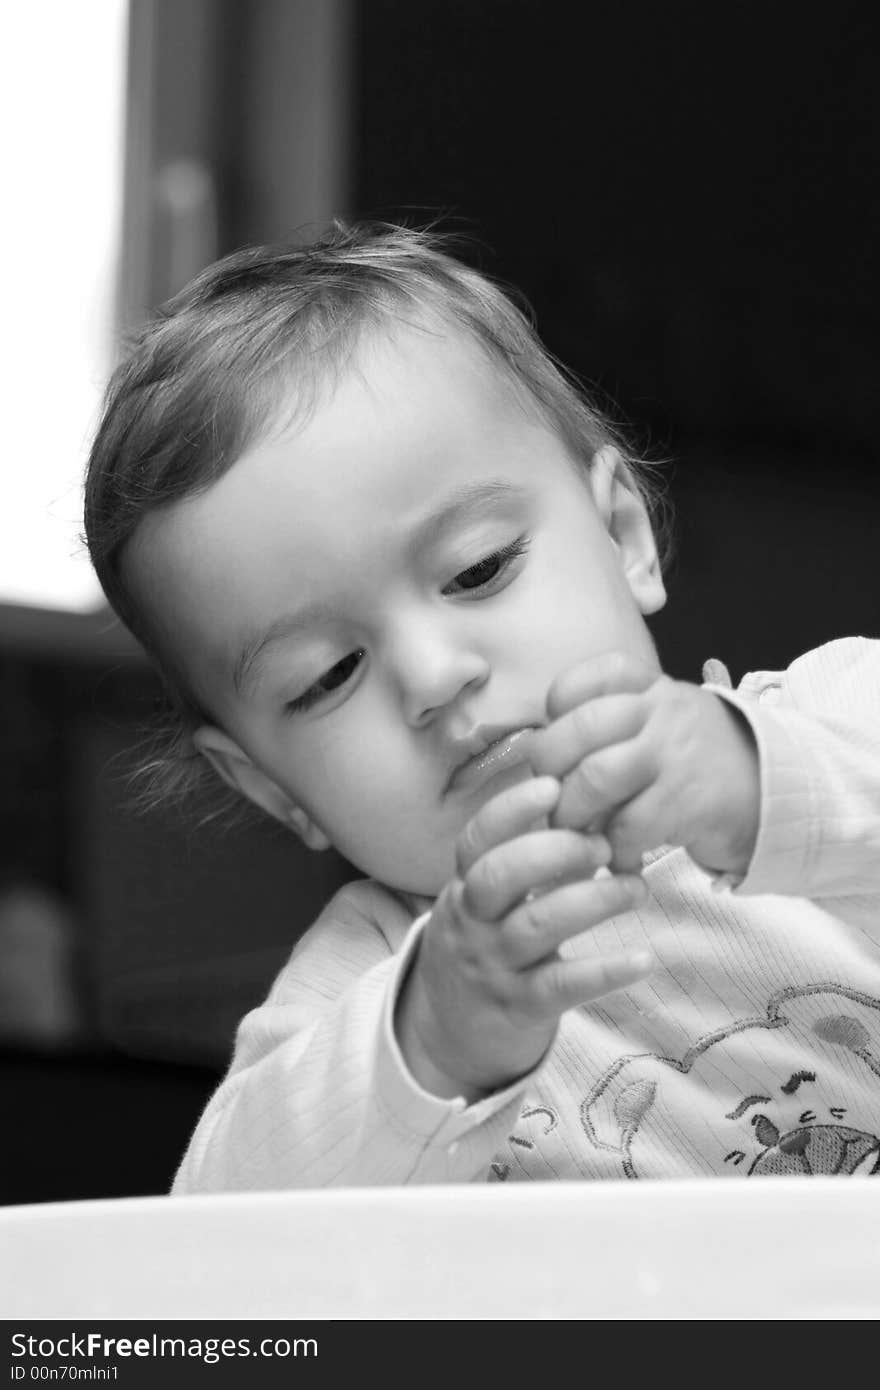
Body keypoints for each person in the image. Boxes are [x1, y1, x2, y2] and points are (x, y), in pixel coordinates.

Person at [84, 222, 880, 1189]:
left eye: (478, 569)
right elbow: (219, 1248)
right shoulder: (371, 982)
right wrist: (429, 1045)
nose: (433, 678)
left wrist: (766, 786)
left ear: (624, 534)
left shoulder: (840, 714)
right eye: (327, 676)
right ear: (270, 788)